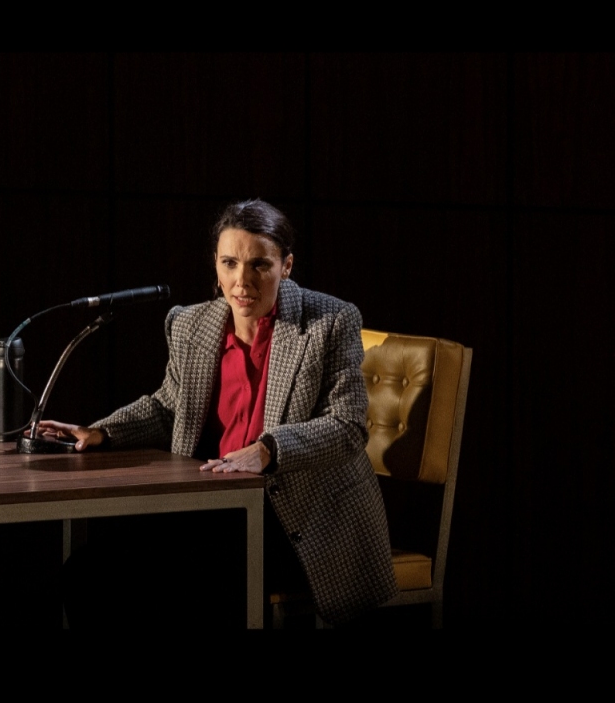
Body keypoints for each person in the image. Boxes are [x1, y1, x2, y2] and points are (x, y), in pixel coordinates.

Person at [35, 198, 399, 629]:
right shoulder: (191, 324)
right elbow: (169, 406)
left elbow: (347, 427)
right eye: (230, 263)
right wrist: (99, 432)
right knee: (88, 574)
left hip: (299, 520)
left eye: (259, 265)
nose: (242, 281)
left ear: (286, 266)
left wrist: (267, 450)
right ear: (216, 264)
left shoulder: (329, 321)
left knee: (197, 580)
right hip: (210, 509)